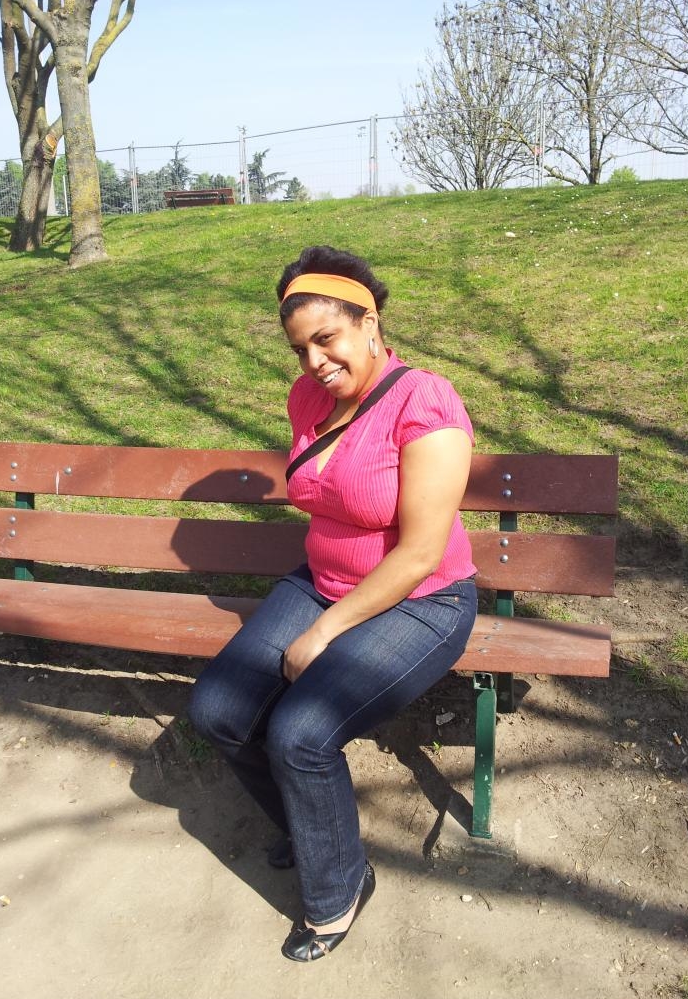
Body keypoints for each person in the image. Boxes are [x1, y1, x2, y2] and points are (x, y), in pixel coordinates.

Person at [188, 245, 477, 962]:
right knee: (217, 709)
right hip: (322, 582)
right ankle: (315, 829)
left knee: (301, 733)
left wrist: (323, 632)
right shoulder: (309, 399)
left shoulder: (425, 402)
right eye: (300, 348)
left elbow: (418, 554)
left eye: (327, 339)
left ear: (369, 323)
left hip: (423, 602)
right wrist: (322, 611)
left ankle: (338, 889)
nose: (315, 361)